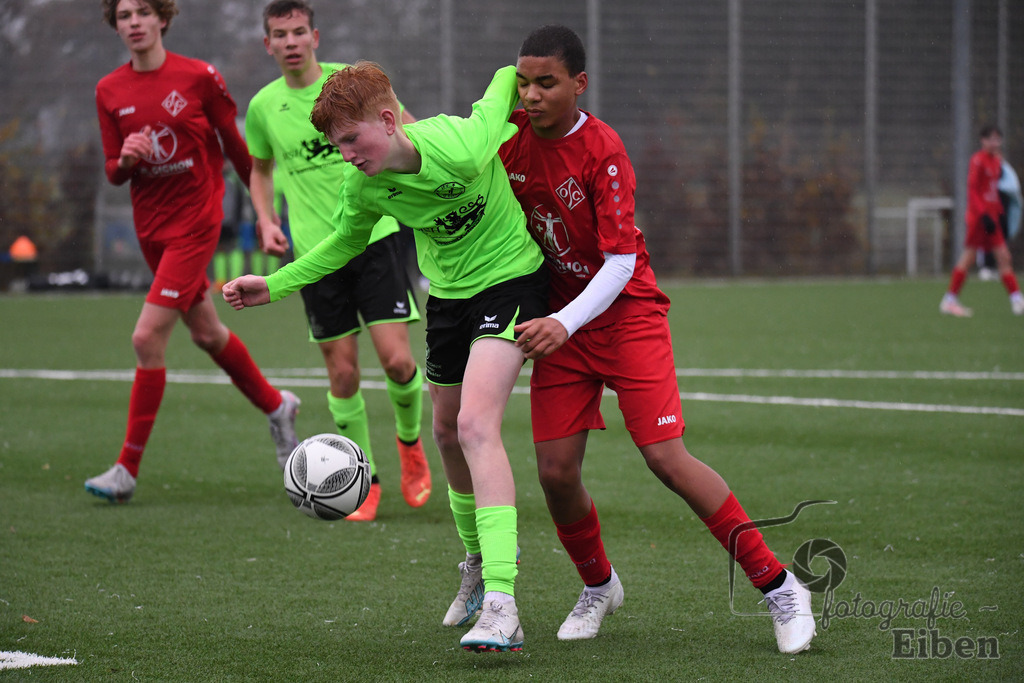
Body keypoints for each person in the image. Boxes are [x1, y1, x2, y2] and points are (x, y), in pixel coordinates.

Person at [499, 25, 816, 654]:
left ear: (578, 84)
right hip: (561, 326)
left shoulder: (603, 149)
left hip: (625, 316)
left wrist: (565, 321)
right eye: (524, 82)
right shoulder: (506, 141)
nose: (531, 95)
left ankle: (781, 587)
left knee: (665, 457)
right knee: (555, 472)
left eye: (547, 82)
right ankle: (599, 586)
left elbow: (619, 263)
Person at [223, 61, 547, 652]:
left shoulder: (462, 142)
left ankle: (504, 603)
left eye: (350, 139)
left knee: (476, 427)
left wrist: (524, 73)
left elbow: (500, 80)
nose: (343, 153)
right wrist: (272, 286)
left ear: (389, 120)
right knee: (446, 433)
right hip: (448, 297)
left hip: (511, 283)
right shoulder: (366, 185)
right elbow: (341, 245)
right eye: (334, 144)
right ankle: (476, 565)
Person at [88, 0, 299, 503]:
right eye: (123, 15)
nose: (134, 22)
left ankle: (126, 471)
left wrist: (266, 219)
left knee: (146, 339)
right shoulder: (108, 90)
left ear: (163, 17)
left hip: (196, 224)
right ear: (115, 25)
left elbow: (239, 153)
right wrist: (126, 158)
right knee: (206, 332)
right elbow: (113, 171)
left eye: (143, 11)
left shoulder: (200, 77)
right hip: (151, 231)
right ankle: (277, 407)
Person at [245, 0, 430, 521]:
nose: (290, 41)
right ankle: (363, 478)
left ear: (315, 37)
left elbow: (408, 130)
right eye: (279, 34)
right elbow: (259, 170)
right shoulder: (263, 107)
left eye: (298, 31)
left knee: (397, 361)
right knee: (343, 375)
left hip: (377, 236)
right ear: (268, 44)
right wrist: (266, 218)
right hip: (315, 252)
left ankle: (411, 445)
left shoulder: (348, 87)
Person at [940, 124, 1024, 317]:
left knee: (1000, 257)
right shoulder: (978, 161)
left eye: (998, 139)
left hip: (992, 217)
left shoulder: (998, 162)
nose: (995, 143)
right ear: (983, 140)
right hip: (980, 219)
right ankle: (950, 300)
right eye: (991, 139)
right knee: (972, 257)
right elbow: (974, 191)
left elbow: (993, 192)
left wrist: (1000, 213)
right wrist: (983, 214)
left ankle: (1017, 300)